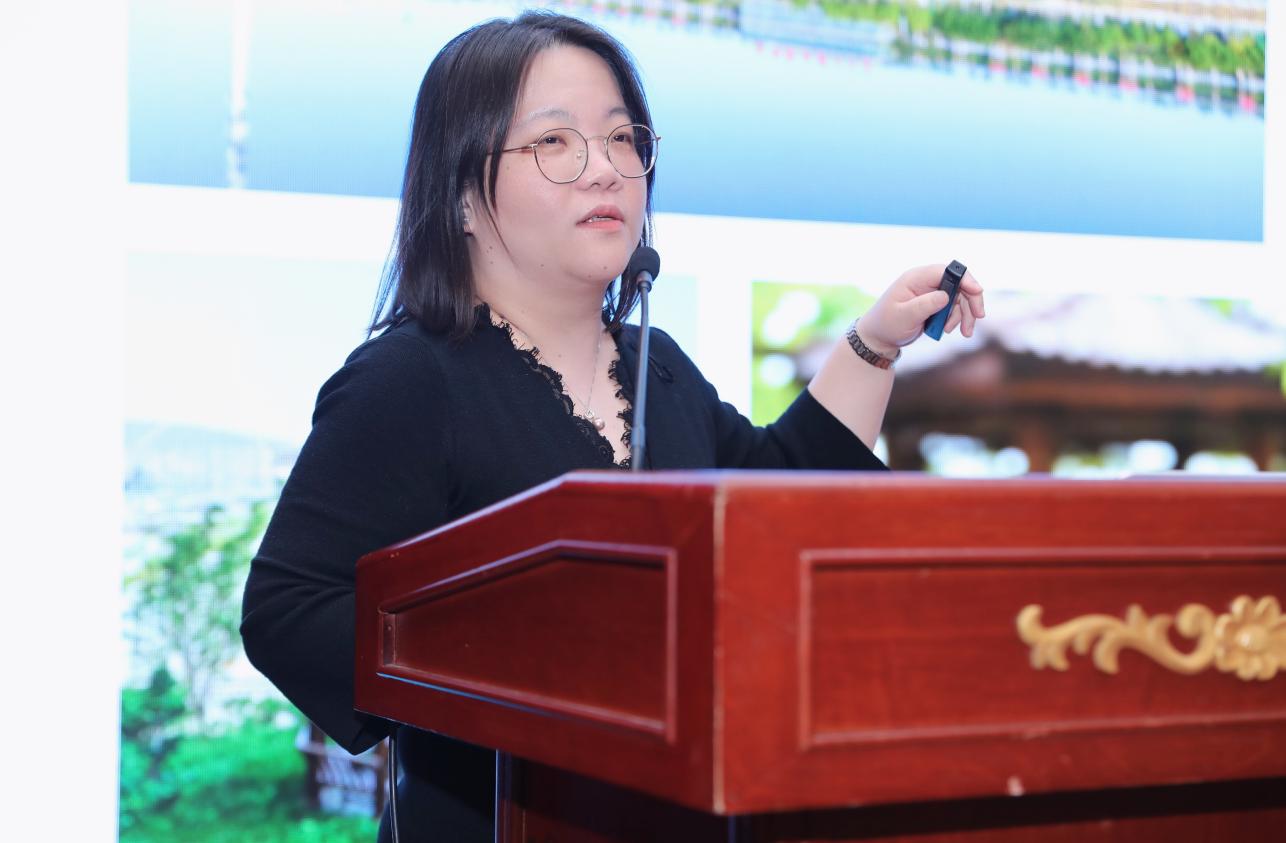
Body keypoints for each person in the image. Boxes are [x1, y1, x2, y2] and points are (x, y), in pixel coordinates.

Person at [241, 10, 985, 843]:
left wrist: (875, 343)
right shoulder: (411, 380)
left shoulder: (658, 367)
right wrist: (517, 661)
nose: (605, 169)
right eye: (554, 142)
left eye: (623, 139)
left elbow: (781, 489)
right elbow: (288, 608)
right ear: (461, 197)